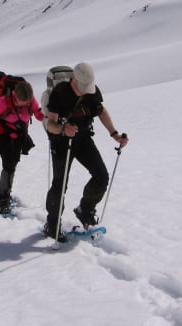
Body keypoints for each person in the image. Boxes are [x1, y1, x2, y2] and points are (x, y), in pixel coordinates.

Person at [43, 62, 129, 242]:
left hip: (82, 139)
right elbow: (50, 124)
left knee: (101, 176)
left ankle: (85, 210)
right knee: (60, 184)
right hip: (61, 142)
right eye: (82, 86)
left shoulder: (92, 92)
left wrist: (114, 134)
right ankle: (52, 224)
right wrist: (63, 129)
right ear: (73, 79)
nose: (84, 90)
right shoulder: (60, 93)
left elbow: (101, 111)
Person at [0, 78, 44, 214]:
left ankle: (6, 194)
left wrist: (47, 116)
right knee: (8, 165)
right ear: (16, 96)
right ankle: (2, 199)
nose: (26, 104)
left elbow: (38, 114)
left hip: (20, 137)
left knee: (13, 165)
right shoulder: (4, 101)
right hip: (4, 136)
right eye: (23, 102)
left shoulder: (30, 99)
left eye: (28, 102)